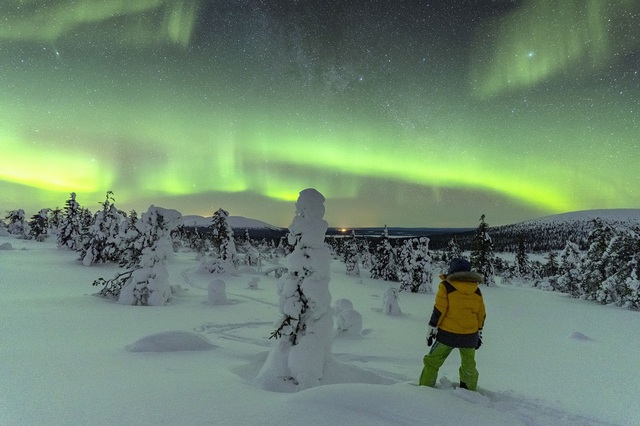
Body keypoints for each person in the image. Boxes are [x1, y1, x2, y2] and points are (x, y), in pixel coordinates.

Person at [419, 258, 486, 391]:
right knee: (469, 367)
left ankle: (424, 389)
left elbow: (439, 309)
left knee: (432, 362)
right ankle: (469, 392)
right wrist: (479, 332)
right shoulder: (476, 290)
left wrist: (432, 329)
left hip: (447, 334)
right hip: (470, 335)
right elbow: (481, 314)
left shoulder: (446, 286)